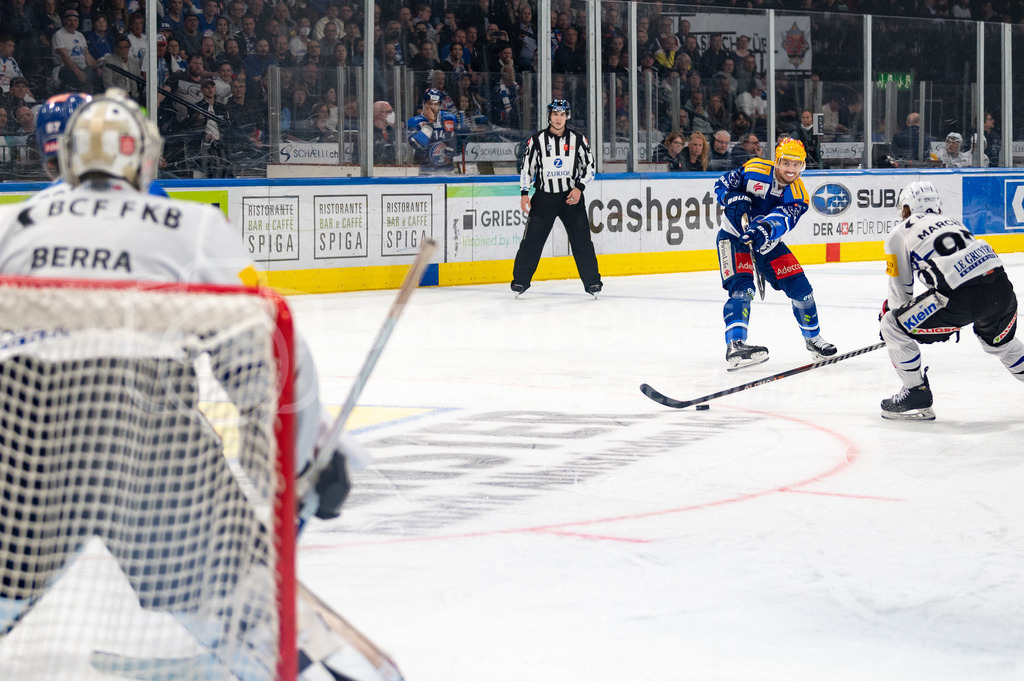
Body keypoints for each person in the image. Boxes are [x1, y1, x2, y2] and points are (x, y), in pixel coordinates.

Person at [0, 88, 355, 679]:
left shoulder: (11, 224)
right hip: (146, 434)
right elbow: (265, 346)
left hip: (22, 430)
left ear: (61, 159)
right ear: (146, 159)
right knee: (246, 619)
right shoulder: (189, 224)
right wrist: (302, 460)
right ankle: (259, 644)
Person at [878, 180, 1024, 420]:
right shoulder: (954, 223)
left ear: (905, 207)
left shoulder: (900, 232)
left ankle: (916, 394)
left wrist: (895, 326)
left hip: (961, 299)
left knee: (892, 325)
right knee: (1000, 344)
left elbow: (901, 295)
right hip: (1001, 289)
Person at [713, 138, 837, 370]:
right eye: (786, 163)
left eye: (796, 164)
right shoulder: (754, 169)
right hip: (733, 238)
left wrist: (763, 230)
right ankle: (736, 345)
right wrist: (731, 198)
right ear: (777, 161)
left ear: (803, 166)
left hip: (768, 243)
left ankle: (813, 339)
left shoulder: (799, 194)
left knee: (802, 290)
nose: (791, 170)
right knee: (742, 290)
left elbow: (782, 219)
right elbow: (722, 184)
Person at [511, 99, 601, 297]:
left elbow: (590, 167)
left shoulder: (578, 139)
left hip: (571, 197)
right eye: (555, 114)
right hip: (544, 198)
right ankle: (520, 281)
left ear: (567, 116)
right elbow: (527, 168)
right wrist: (524, 193)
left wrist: (579, 188)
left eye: (562, 114)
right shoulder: (536, 141)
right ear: (549, 116)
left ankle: (592, 282)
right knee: (532, 241)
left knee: (582, 241)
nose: (558, 118)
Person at [407, 87, 458, 172]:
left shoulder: (449, 118)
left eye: (436, 104)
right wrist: (430, 122)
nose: (433, 107)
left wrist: (459, 141)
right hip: (424, 169)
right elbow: (417, 144)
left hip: (447, 168)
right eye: (430, 104)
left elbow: (457, 149)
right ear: (424, 104)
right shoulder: (414, 122)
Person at [372, 99, 397, 164]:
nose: (392, 114)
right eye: (389, 111)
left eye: (392, 111)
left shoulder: (394, 132)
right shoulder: (368, 134)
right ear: (379, 114)